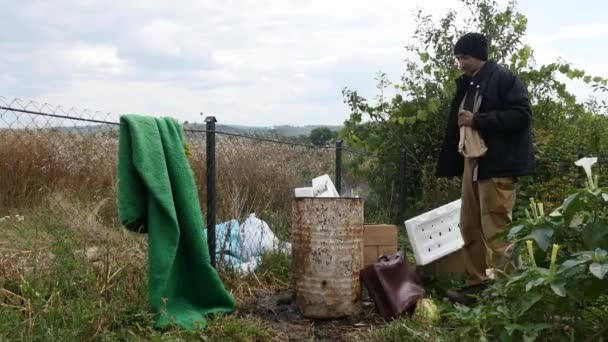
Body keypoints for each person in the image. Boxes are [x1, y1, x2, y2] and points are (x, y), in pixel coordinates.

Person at [435, 32, 535, 304]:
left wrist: (478, 120)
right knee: (469, 226)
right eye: (458, 57)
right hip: (473, 162)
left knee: (498, 230)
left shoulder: (504, 79)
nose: (460, 63)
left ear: (478, 55)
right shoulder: (470, 84)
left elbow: (522, 116)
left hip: (496, 165)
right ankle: (476, 284)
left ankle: (510, 292)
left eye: (463, 57)